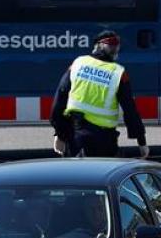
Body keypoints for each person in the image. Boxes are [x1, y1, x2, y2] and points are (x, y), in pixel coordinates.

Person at [50, 30, 148, 158]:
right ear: (98, 45)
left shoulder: (78, 63)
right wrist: (141, 142)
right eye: (112, 45)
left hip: (76, 135)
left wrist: (59, 134)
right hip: (104, 140)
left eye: (116, 45)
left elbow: (60, 99)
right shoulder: (118, 73)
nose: (115, 49)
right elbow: (130, 109)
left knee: (74, 176)